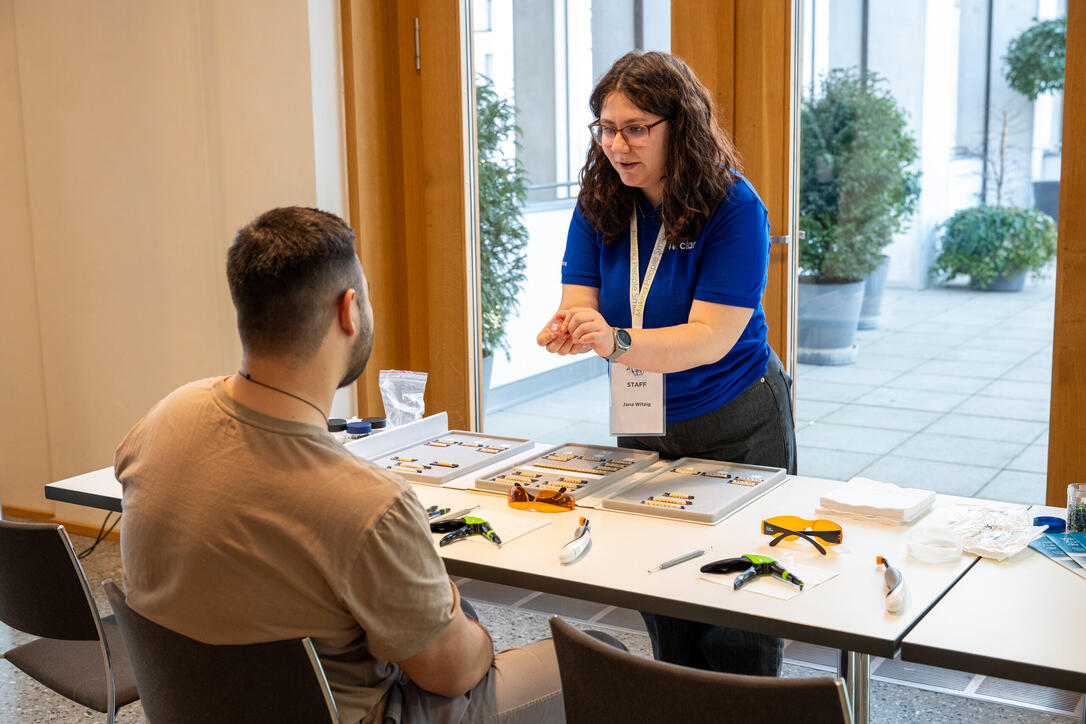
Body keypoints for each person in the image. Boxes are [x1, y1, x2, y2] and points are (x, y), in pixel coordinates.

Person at [116, 207, 563, 723]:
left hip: (194, 708)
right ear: (348, 310)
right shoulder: (371, 507)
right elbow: (450, 674)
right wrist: (467, 626)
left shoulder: (162, 419)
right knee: (588, 654)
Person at [536, 51, 797, 676]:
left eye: (635, 128)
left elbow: (711, 337)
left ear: (678, 127)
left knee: (740, 604)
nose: (617, 145)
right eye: (605, 127)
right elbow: (581, 301)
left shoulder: (734, 207)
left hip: (737, 420)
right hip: (645, 420)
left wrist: (615, 341)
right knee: (660, 589)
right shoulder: (601, 199)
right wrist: (573, 327)